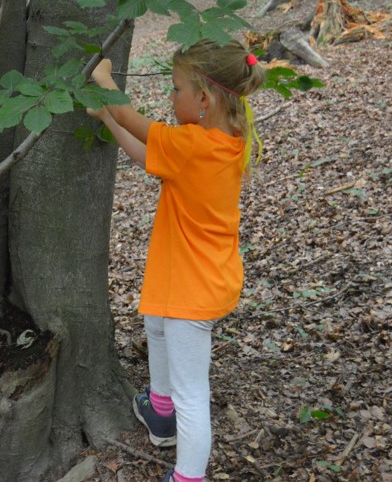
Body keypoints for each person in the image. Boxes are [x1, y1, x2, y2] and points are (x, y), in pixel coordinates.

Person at [88, 39, 265, 482]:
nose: (170, 97)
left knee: (193, 393)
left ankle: (189, 476)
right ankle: (160, 413)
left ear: (203, 100)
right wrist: (107, 117)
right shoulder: (224, 140)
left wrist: (105, 82)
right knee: (155, 322)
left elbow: (140, 125)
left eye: (175, 89)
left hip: (193, 288)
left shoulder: (192, 146)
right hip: (190, 276)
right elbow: (149, 155)